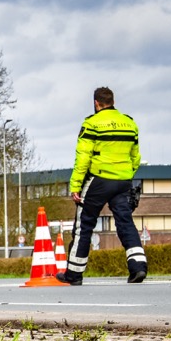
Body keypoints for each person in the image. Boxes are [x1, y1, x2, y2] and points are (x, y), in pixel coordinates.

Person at [58, 86, 146, 285]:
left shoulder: (91, 123)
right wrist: (126, 174)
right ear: (113, 102)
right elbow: (136, 156)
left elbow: (83, 157)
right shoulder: (129, 123)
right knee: (125, 222)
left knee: (84, 223)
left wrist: (75, 185)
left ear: (96, 103)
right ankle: (138, 267)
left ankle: (74, 273)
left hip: (98, 179)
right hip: (123, 180)